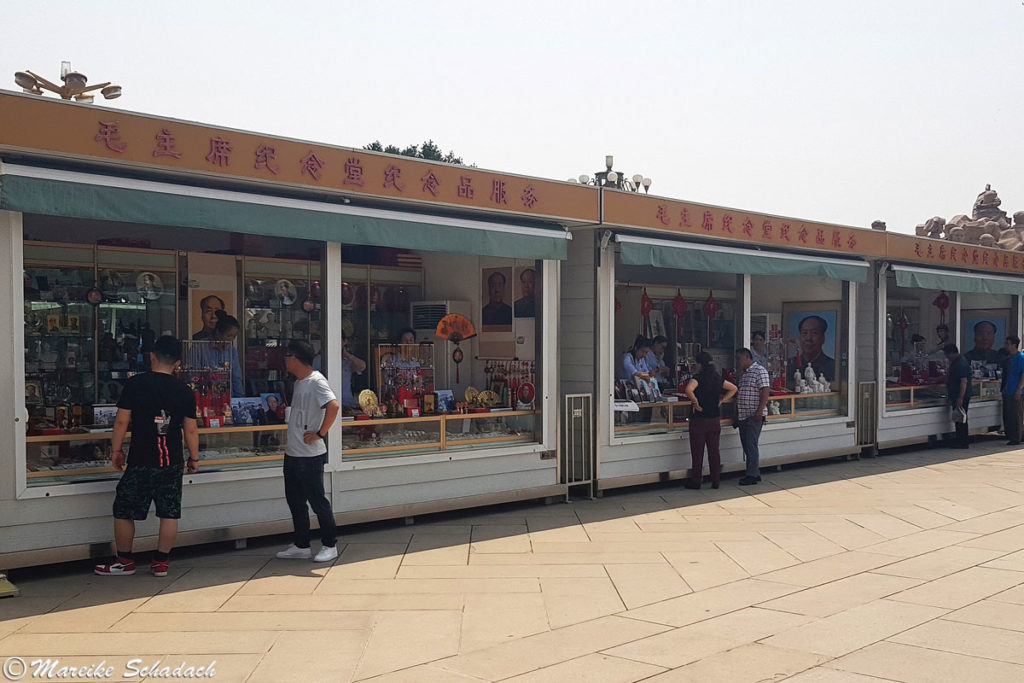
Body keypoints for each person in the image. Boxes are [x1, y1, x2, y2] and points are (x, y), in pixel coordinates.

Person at [94, 336, 199, 577]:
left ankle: (124, 561)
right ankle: (161, 562)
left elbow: (121, 421)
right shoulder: (184, 391)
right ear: (178, 363)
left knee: (124, 508)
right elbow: (190, 429)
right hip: (172, 459)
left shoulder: (135, 384)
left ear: (152, 355)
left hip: (141, 457)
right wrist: (193, 458)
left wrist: (117, 450)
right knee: (169, 510)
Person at [276, 340, 341, 563]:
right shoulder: (299, 382)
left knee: (317, 501)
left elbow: (333, 405)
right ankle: (301, 544)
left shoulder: (316, 381)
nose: (284, 359)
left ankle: (330, 544)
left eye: (287, 355)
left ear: (295, 358)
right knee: (295, 501)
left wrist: (320, 433)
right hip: (293, 452)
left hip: (309, 455)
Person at [682, 351, 737, 489]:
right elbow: (733, 388)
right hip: (714, 419)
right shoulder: (717, 378)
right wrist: (722, 400)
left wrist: (695, 402)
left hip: (699, 419)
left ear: (700, 364)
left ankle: (696, 480)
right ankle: (715, 479)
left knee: (697, 451)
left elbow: (689, 390)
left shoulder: (697, 378)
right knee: (714, 451)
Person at [735, 347, 770, 486]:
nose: (738, 362)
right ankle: (754, 472)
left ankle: (751, 475)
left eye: (739, 359)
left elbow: (765, 391)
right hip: (744, 415)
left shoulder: (759, 371)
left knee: (751, 445)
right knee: (747, 445)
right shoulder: (744, 375)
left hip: (754, 414)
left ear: (747, 358)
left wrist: (759, 411)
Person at [195, 310, 245, 397]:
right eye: (228, 336)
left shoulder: (232, 351)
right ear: (218, 332)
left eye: (234, 336)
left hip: (228, 397)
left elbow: (236, 378)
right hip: (206, 396)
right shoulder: (200, 347)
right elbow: (193, 375)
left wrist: (240, 399)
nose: (231, 339)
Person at [786, 315, 835, 385]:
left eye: (814, 333)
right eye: (805, 333)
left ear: (823, 338)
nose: (808, 338)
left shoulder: (832, 366)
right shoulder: (791, 364)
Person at [945, 344, 972, 449]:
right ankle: (960, 440)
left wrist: (960, 397)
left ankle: (963, 441)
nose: (947, 357)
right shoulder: (956, 362)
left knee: (961, 418)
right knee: (959, 418)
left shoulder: (961, 363)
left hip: (961, 396)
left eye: (947, 355)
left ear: (952, 353)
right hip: (956, 395)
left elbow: (963, 382)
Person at [1002, 336, 1024, 445]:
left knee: (1016, 415)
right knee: (1009, 414)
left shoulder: (1021, 357)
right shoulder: (1010, 358)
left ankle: (1016, 437)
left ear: (1014, 345)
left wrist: (1019, 389)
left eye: (1007, 343)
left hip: (1016, 390)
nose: (1006, 346)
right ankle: (1012, 435)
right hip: (1009, 389)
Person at [340, 333, 366, 409]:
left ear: (344, 342)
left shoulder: (348, 361)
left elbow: (362, 366)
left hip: (346, 402)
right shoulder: (319, 359)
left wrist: (347, 355)